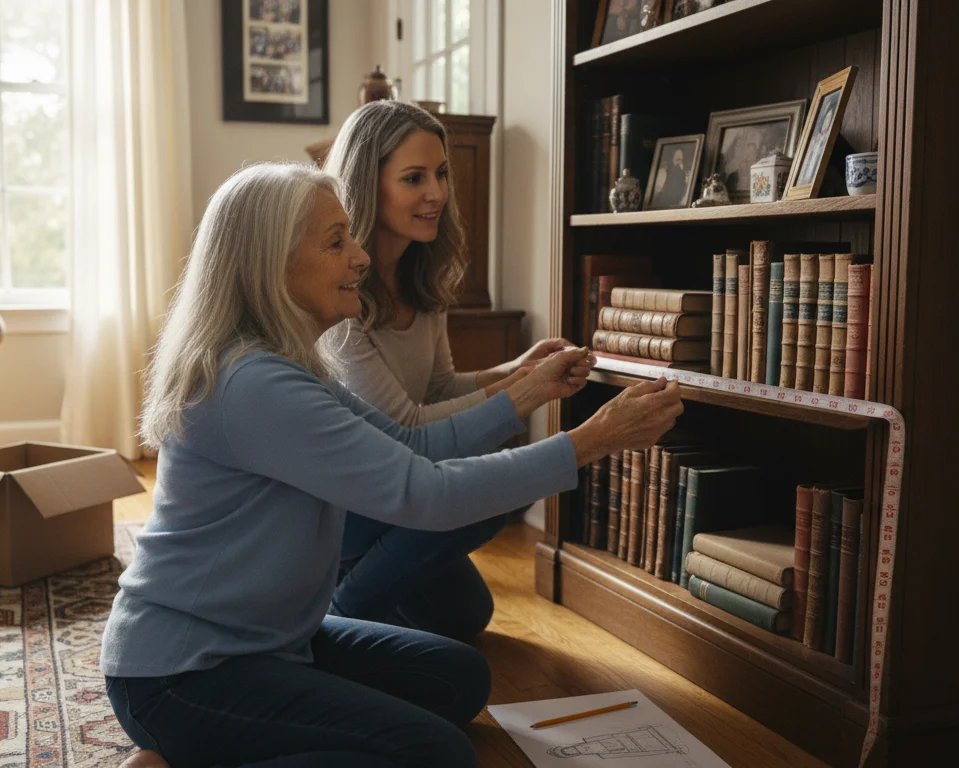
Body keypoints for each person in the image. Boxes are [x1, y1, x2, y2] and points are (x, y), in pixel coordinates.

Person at [101, 161, 684, 767]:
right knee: (435, 754)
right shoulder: (254, 383)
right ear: (269, 266)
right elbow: (424, 493)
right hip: (184, 672)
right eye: (336, 242)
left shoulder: (290, 365)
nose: (360, 257)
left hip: (273, 642)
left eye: (352, 236)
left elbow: (417, 447)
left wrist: (529, 391)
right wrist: (590, 441)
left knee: (457, 677)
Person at [321, 100, 573, 642]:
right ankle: (342, 609)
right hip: (340, 505)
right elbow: (406, 431)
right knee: (498, 490)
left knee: (464, 617)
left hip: (398, 489)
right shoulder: (338, 297)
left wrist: (517, 368)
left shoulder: (421, 277)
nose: (436, 192)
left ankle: (355, 582)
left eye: (440, 174)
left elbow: (437, 388)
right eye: (414, 177)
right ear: (368, 184)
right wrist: (522, 391)